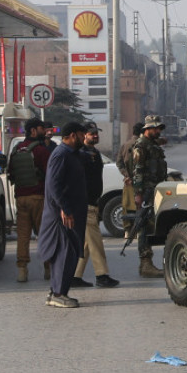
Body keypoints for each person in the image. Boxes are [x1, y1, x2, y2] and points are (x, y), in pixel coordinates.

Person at [38, 122, 87, 308]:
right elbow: (54, 185)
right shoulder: (60, 155)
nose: (84, 138)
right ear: (73, 135)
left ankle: (57, 291)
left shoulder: (72, 154)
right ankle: (58, 294)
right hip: (62, 215)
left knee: (70, 252)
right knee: (65, 253)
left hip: (71, 212)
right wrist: (65, 208)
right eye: (82, 134)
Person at [71, 123, 119, 289]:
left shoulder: (95, 153)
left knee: (87, 243)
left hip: (93, 202)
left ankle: (75, 275)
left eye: (96, 133)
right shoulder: (80, 154)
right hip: (85, 204)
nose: (95, 135)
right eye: (91, 133)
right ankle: (102, 275)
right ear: (84, 135)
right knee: (96, 241)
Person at [9, 117, 52, 283]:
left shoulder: (16, 150)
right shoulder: (41, 151)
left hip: (21, 198)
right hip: (38, 197)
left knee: (23, 235)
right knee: (45, 234)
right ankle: (48, 268)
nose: (44, 131)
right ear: (33, 131)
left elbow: (12, 174)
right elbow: (50, 175)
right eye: (41, 128)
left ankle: (22, 270)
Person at [131, 115, 169, 277]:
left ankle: (148, 263)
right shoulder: (141, 146)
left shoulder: (151, 144)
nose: (159, 131)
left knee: (152, 224)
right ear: (148, 129)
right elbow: (138, 171)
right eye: (156, 128)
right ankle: (145, 263)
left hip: (156, 189)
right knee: (144, 225)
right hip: (146, 191)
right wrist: (138, 194)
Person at [117, 122, 144, 238]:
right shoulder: (144, 145)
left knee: (127, 206)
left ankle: (127, 230)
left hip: (128, 182)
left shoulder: (125, 145)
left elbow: (119, 163)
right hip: (142, 182)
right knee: (141, 206)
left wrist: (127, 175)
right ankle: (139, 231)